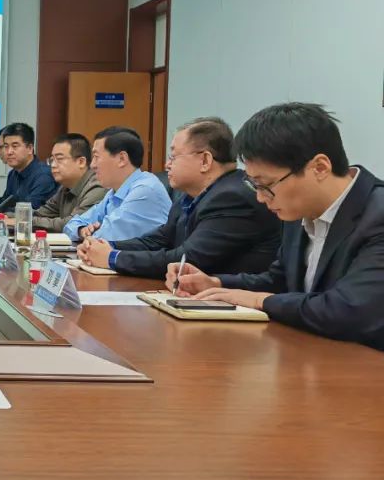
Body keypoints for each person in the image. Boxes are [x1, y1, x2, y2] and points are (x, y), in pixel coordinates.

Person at [168, 103, 384, 350]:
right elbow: (280, 281)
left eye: (266, 185)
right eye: (254, 186)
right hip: (310, 354)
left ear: (320, 168)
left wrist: (260, 301)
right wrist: (216, 284)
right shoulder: (298, 209)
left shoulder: (377, 216)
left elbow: (349, 311)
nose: (260, 198)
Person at [77, 117, 280, 278]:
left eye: (173, 157)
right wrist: (107, 246)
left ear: (205, 160)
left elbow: (187, 258)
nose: (167, 165)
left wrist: (113, 258)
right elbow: (158, 240)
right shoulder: (190, 195)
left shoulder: (232, 198)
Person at [64, 126, 171, 242]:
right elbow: (71, 225)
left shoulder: (145, 190)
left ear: (122, 159)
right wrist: (81, 230)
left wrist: (92, 234)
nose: (92, 165)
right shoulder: (113, 193)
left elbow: (103, 238)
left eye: (96, 157)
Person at [0, 123, 57, 217]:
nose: (9, 152)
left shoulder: (43, 176)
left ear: (30, 148)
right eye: (6, 146)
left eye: (15, 146)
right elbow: (6, 202)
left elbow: (31, 212)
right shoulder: (13, 173)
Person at [32, 133, 106, 233]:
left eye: (59, 159)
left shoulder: (97, 186)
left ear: (81, 162)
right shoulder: (65, 187)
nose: (53, 165)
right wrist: (17, 218)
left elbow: (72, 224)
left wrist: (25, 221)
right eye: (52, 160)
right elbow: (40, 213)